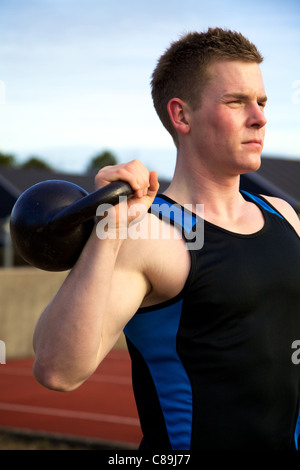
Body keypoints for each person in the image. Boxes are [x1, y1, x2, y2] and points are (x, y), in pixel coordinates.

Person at [32, 28, 300, 450]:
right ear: (182, 116)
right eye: (237, 102)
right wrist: (110, 231)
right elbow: (58, 370)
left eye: (262, 102)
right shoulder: (149, 233)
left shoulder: (283, 215)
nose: (260, 117)